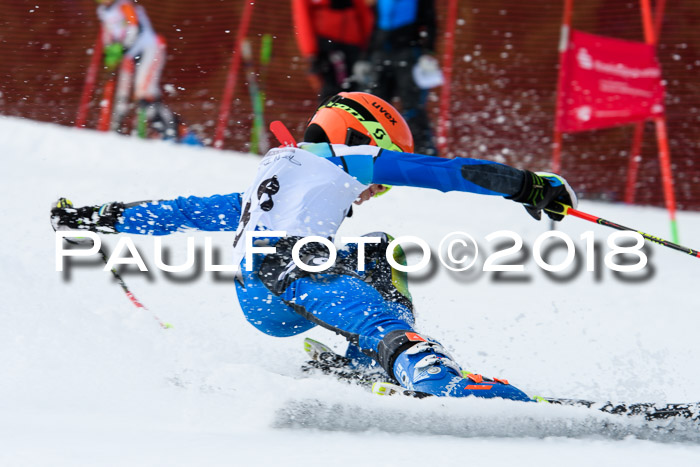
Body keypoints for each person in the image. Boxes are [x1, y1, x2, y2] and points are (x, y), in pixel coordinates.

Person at [51, 92, 576, 400]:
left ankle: (366, 365)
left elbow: (184, 212)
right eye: (379, 180)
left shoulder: (272, 172)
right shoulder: (347, 159)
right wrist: (528, 185)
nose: (373, 193)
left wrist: (99, 218)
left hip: (255, 295)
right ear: (364, 136)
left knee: (374, 249)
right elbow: (440, 173)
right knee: (376, 288)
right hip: (291, 270)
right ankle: (431, 375)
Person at [363, 0, 439, 156]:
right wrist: (366, 57)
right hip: (381, 52)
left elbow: (430, 21)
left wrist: (428, 51)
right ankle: (371, 149)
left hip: (408, 52)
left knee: (412, 105)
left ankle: (424, 152)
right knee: (374, 105)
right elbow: (375, 23)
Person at [95, 0, 178, 139]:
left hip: (149, 49)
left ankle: (170, 130)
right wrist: (109, 49)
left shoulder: (124, 5)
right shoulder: (102, 11)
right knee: (123, 94)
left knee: (144, 94)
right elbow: (108, 32)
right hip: (130, 54)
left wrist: (121, 47)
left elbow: (135, 28)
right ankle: (118, 129)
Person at [292, 0, 374, 102]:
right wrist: (311, 53)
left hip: (354, 46)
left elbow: (363, 13)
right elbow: (302, 19)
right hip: (326, 46)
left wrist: (369, 47)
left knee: (358, 93)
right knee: (332, 93)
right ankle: (329, 116)